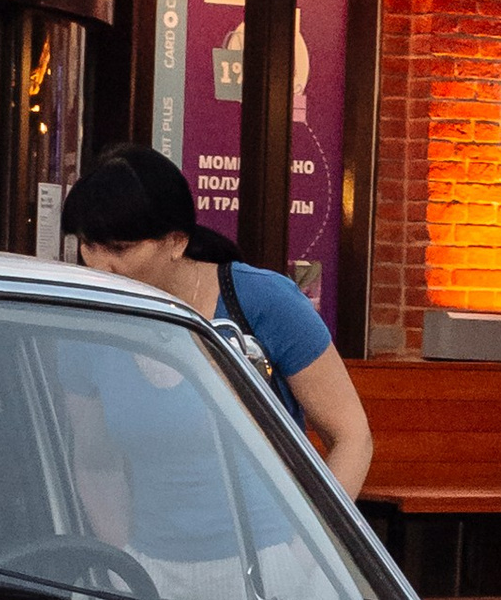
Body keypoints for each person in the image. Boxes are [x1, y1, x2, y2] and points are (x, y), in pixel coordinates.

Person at [61, 140, 373, 499]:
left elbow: (352, 436)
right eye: (87, 244)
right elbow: (93, 459)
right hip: (147, 552)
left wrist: (311, 548)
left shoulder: (262, 300)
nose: (98, 265)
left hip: (270, 549)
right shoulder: (85, 322)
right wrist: (116, 548)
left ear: (176, 242)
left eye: (119, 249)